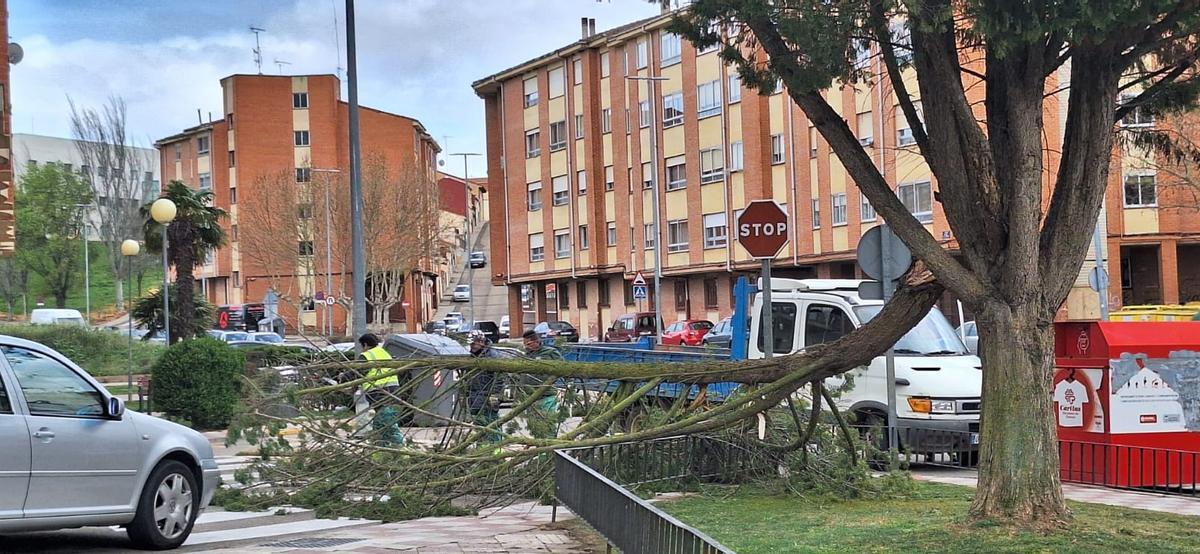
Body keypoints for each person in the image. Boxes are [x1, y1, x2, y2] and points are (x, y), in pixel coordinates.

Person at [357, 333, 403, 445]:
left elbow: (357, 373)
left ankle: (396, 444)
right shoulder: (385, 353)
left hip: (378, 391)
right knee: (382, 419)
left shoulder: (366, 356)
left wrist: (343, 377)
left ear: (366, 344)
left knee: (385, 421)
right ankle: (381, 446)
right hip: (393, 389)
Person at [466, 332, 506, 443]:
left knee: (492, 429)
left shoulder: (492, 356)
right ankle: (482, 452)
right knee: (480, 430)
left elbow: (499, 377)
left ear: (481, 342)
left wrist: (495, 395)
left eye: (473, 344)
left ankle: (495, 453)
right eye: (470, 345)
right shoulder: (474, 356)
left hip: (487, 399)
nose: (472, 347)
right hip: (475, 399)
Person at [522, 330, 563, 438]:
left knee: (547, 425)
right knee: (535, 427)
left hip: (547, 395)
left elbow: (562, 368)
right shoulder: (526, 355)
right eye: (525, 344)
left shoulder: (550, 353)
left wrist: (550, 381)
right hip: (530, 397)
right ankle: (539, 450)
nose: (526, 346)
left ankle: (549, 450)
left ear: (536, 341)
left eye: (529, 344)